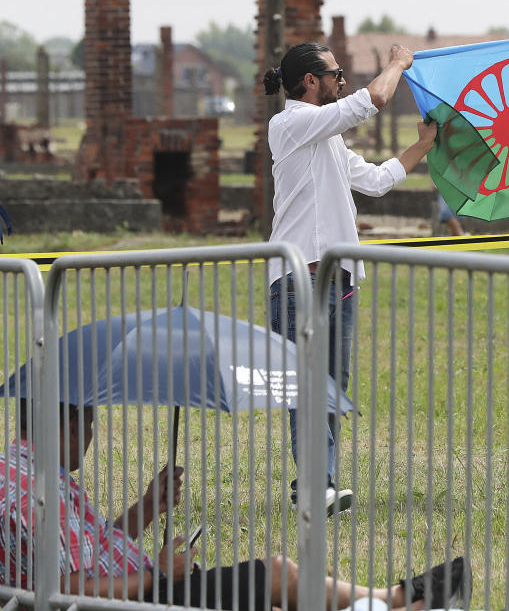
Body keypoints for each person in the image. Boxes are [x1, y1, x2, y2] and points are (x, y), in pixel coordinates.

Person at [0, 402, 469, 610]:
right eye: (91, 420)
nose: (92, 435)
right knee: (275, 575)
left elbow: (97, 548)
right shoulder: (34, 488)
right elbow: (62, 588)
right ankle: (400, 600)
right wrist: (157, 574)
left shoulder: (31, 471)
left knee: (272, 584)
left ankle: (399, 602)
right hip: (139, 600)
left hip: (144, 589)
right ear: (76, 419)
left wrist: (146, 507)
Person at [263, 43, 438, 512]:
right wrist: (398, 64)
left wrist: (422, 145)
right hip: (298, 280)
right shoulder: (290, 123)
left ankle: (321, 483)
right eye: (335, 73)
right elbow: (372, 101)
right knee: (306, 384)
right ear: (309, 82)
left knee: (332, 385)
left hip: (338, 280)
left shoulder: (329, 138)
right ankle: (317, 483)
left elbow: (378, 181)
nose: (341, 80)